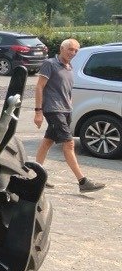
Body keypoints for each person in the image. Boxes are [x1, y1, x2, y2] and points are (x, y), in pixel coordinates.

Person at [33, 38, 105, 193]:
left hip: (66, 110)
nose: (73, 53)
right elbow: (39, 87)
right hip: (53, 110)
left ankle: (35, 177)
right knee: (69, 144)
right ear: (61, 48)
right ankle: (83, 182)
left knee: (47, 142)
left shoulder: (69, 67)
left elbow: (67, 90)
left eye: (76, 50)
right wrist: (38, 111)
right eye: (70, 49)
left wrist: (70, 105)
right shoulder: (50, 64)